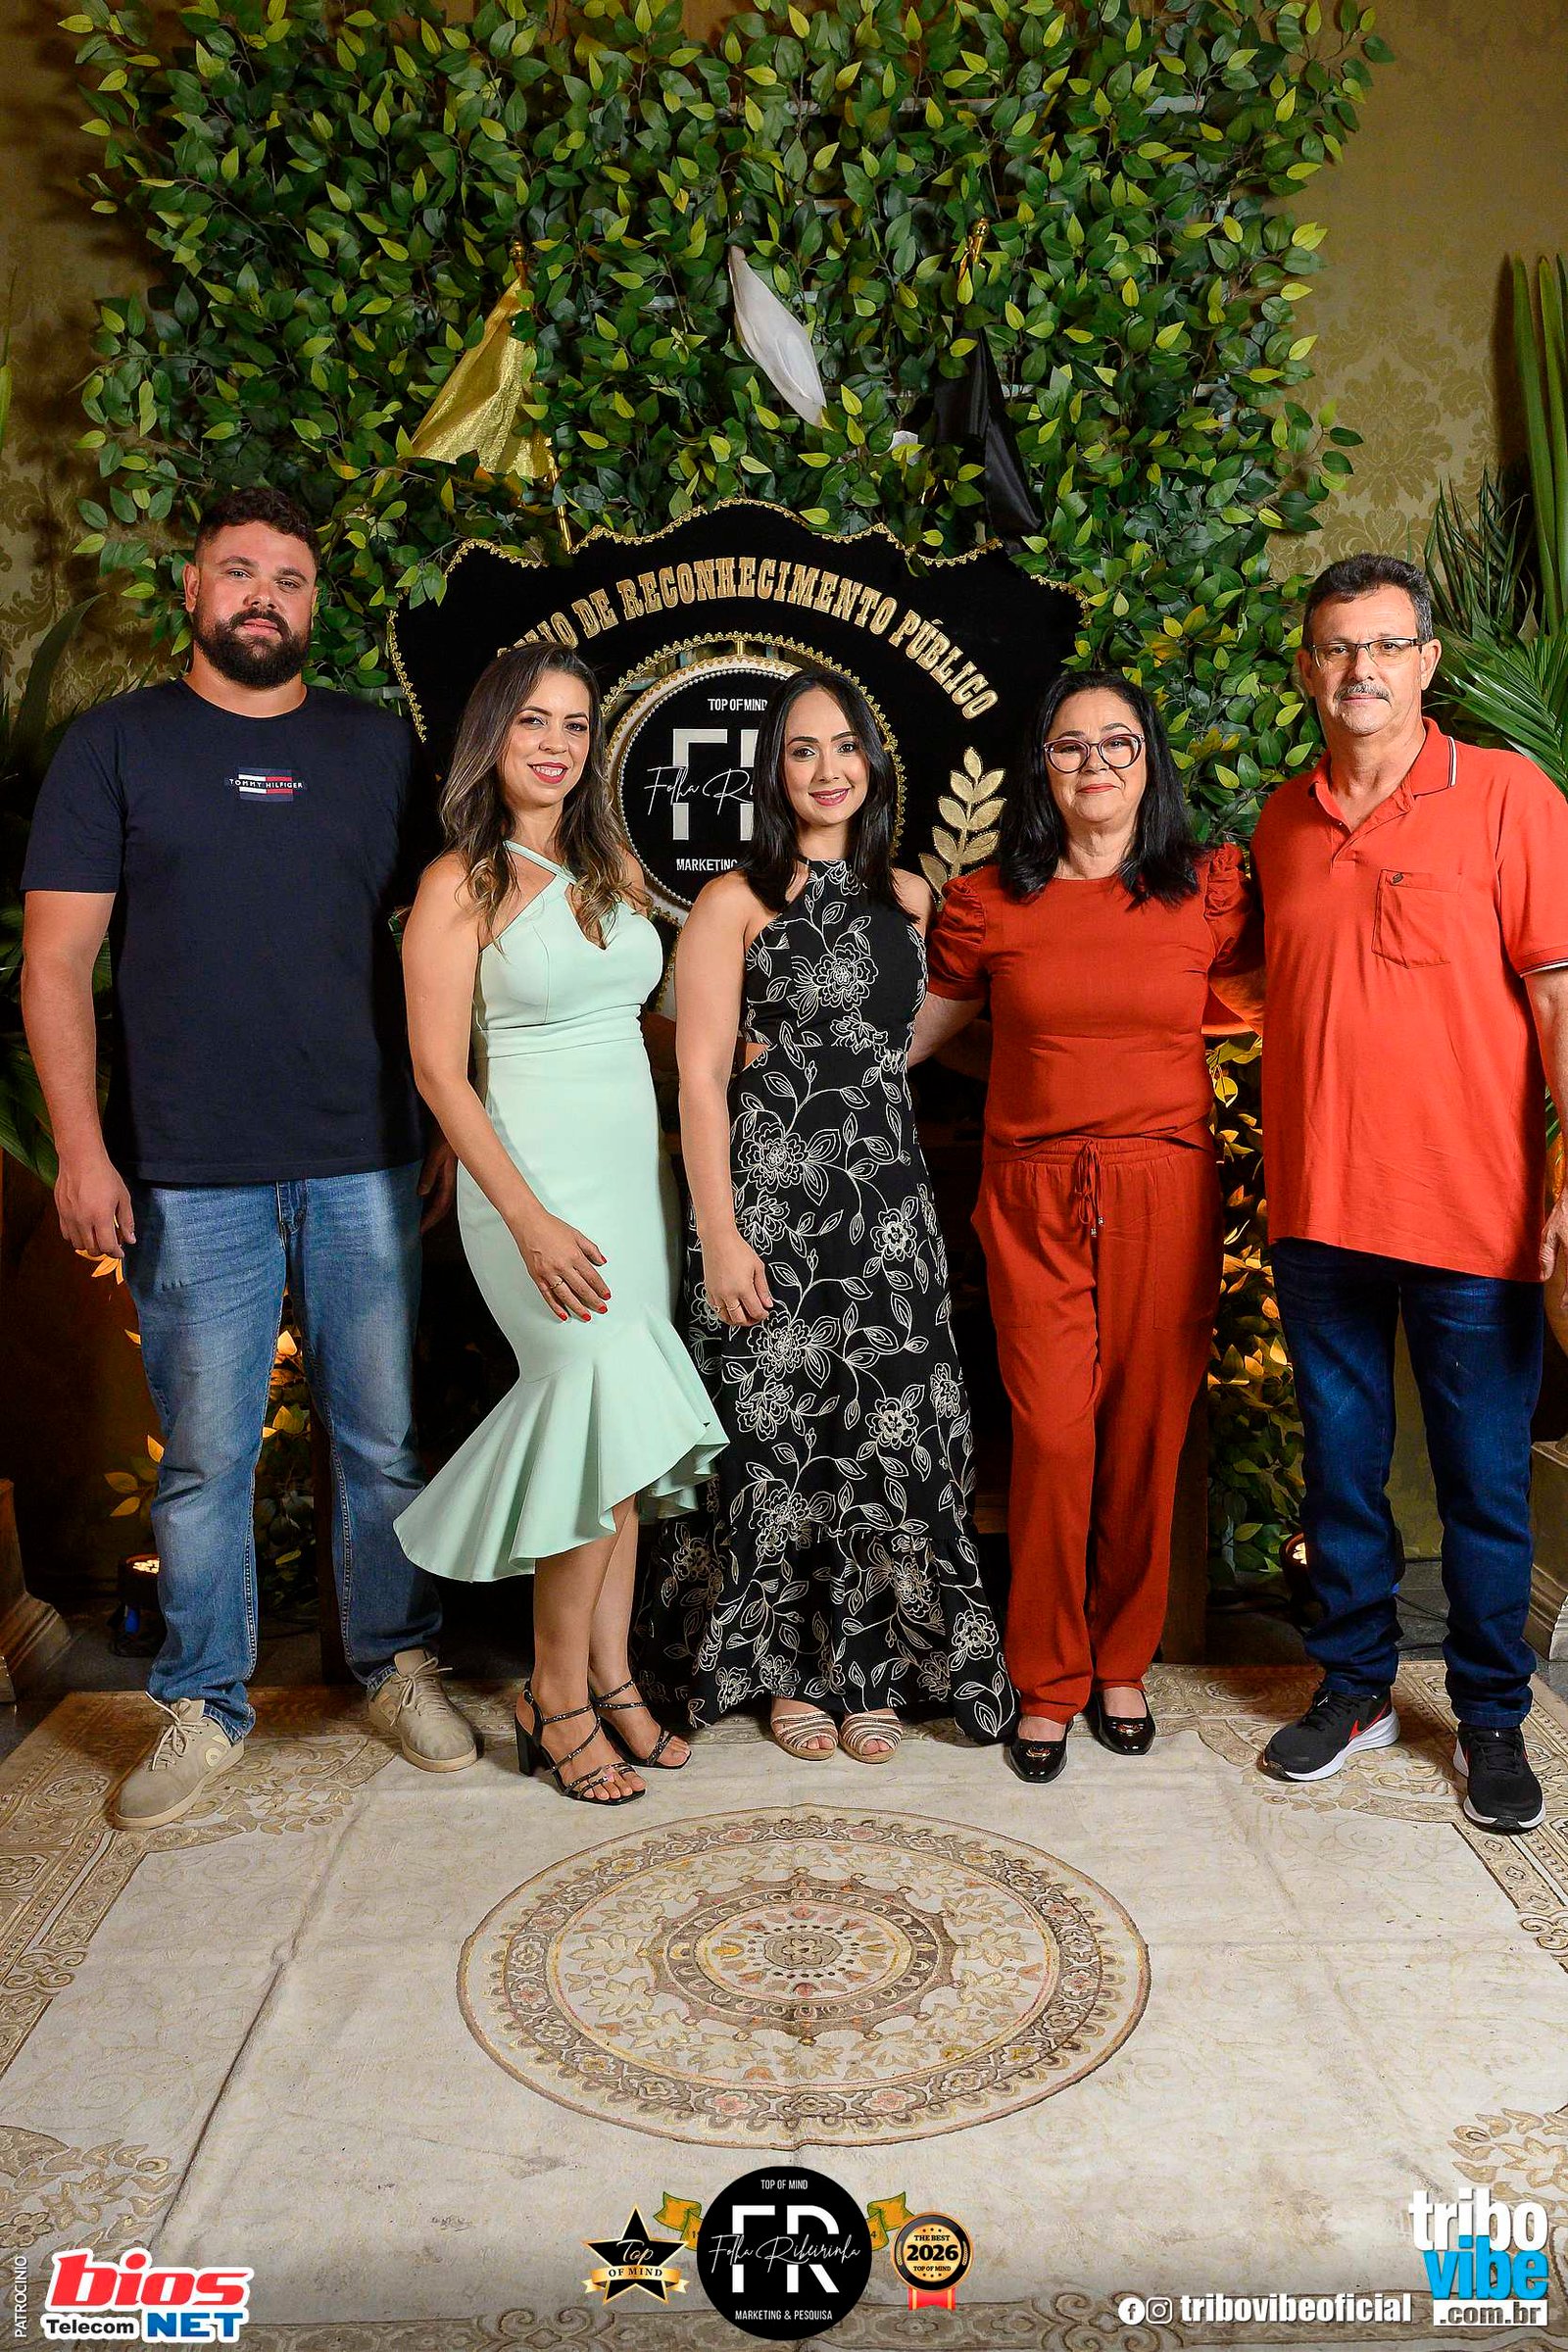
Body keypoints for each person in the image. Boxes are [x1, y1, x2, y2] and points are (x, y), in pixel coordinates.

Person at [21, 485, 478, 1830]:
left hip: (364, 1157)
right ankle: (204, 1703)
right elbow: (55, 963)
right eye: (237, 572)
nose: (262, 596)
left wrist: (450, 1122)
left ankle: (396, 1665)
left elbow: (451, 941)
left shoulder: (375, 749)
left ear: (314, 602)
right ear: (194, 590)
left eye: (287, 577)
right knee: (205, 1460)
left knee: (382, 1440)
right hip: (186, 1171)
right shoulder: (116, 745)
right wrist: (81, 1151)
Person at [635, 665, 1013, 1762]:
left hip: (888, 1209)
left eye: (844, 746)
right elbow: (699, 1076)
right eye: (802, 750)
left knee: (891, 1434)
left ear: (873, 764)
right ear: (773, 773)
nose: (827, 768)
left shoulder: (910, 897)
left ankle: (872, 1669)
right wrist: (720, 1238)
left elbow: (901, 1041)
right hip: (771, 1205)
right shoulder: (732, 902)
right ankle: (786, 1672)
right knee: (778, 1434)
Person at [1251, 554, 1568, 1837]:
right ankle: (1355, 1689)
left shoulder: (1506, 794)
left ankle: (1489, 1717)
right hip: (1317, 1209)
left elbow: (1558, 997)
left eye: (1386, 645)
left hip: (1470, 1211)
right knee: (1340, 1473)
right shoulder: (1280, 822)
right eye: (1338, 646)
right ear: (1307, 669)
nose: (1361, 669)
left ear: (1427, 663)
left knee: (1483, 1482)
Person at [914, 669, 1263, 1784]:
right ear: (1042, 770)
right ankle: (1048, 1677)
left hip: (1165, 1186)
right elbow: (919, 1033)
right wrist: (781, 1057)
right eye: (1070, 746)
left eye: (1118, 742)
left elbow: (1288, 997)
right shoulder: (990, 902)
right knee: (1055, 1436)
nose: (1095, 763)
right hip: (1033, 1195)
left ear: (1148, 761)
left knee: (1145, 1434)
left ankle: (1122, 1663)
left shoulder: (1206, 891)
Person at [393, 643, 725, 1805]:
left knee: (622, 1443)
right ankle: (554, 1693)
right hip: (530, 1188)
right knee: (589, 1410)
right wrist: (527, 1217)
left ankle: (611, 1677)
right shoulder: (458, 884)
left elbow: (629, 1022)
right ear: (493, 735)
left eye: (575, 725)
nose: (555, 744)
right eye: (533, 721)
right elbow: (440, 1074)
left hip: (632, 1185)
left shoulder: (610, 865)